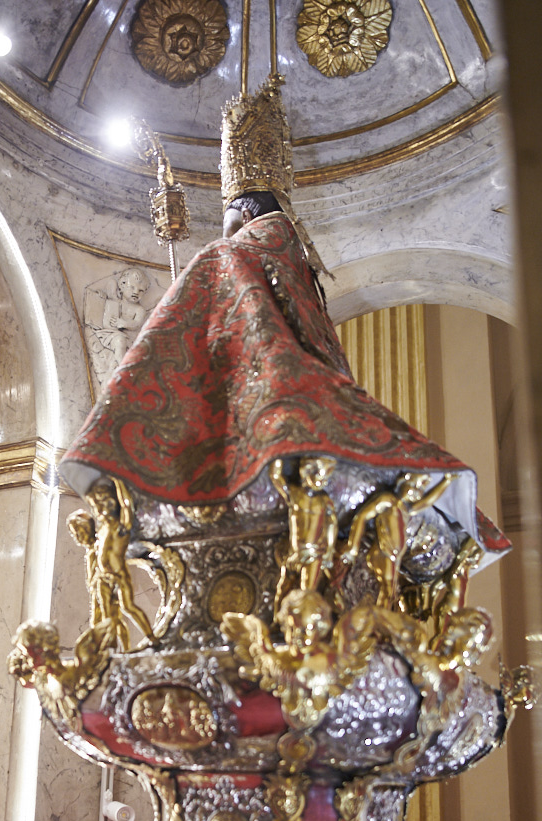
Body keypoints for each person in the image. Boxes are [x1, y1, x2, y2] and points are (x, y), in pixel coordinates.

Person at [60, 76, 508, 569]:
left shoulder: (248, 243)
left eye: (229, 220)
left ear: (246, 211)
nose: (224, 235)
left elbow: (220, 294)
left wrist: (194, 284)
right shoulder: (291, 250)